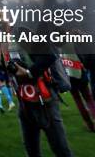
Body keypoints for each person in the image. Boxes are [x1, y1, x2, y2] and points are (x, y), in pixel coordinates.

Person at [8, 27, 73, 157]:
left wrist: (28, 72)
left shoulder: (25, 31)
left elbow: (50, 55)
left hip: (44, 101)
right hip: (26, 102)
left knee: (60, 149)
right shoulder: (13, 37)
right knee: (32, 149)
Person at [60, 44, 95, 137]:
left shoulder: (61, 47)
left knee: (78, 100)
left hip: (70, 77)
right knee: (89, 99)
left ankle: (89, 124)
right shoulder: (74, 45)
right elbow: (82, 59)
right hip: (80, 75)